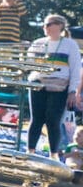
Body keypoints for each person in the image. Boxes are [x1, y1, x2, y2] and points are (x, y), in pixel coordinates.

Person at [25, 14, 82, 157]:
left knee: (53, 120)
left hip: (60, 86)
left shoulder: (70, 44)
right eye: (45, 24)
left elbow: (75, 70)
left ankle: (54, 155)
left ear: (59, 26)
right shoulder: (38, 42)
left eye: (49, 24)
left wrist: (72, 91)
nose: (46, 27)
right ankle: (30, 152)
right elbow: (28, 63)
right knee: (36, 119)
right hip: (38, 83)